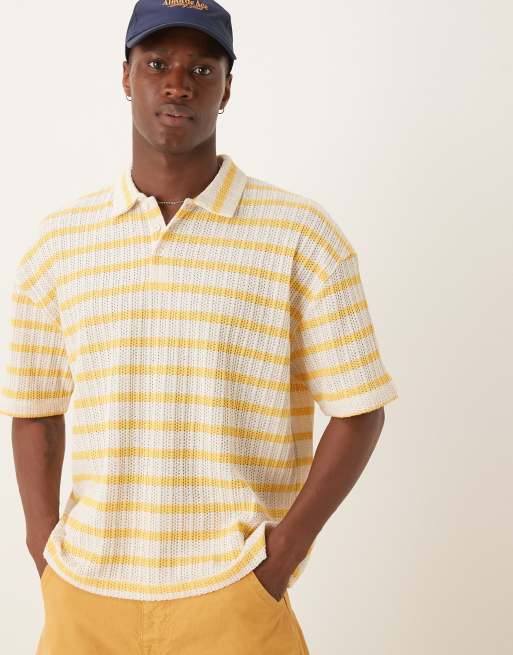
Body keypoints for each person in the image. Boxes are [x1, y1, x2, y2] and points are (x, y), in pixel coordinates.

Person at [0, 1, 399, 653]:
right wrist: (43, 550)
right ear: (125, 76)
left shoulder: (301, 237)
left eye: (202, 68)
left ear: (227, 87)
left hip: (235, 593)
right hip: (83, 595)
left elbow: (359, 408)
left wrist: (278, 559)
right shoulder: (59, 243)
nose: (178, 84)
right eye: (157, 63)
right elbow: (35, 409)